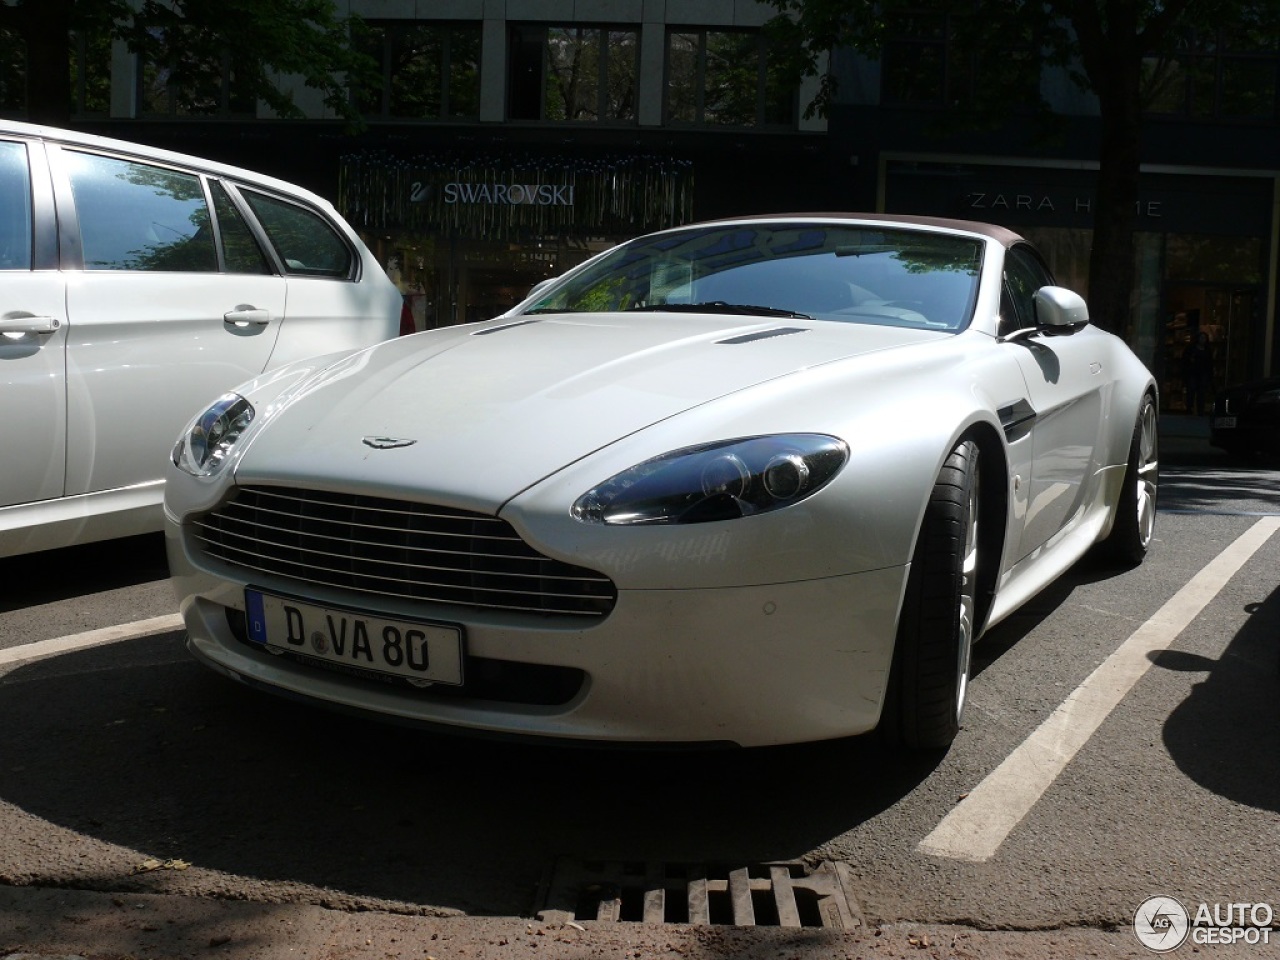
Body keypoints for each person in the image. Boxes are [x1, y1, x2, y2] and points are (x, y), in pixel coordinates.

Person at [1182, 332, 1214, 416]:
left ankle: (1200, 410)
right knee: (1191, 390)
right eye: (1201, 338)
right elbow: (1185, 359)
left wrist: (1210, 374)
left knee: (1201, 392)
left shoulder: (1207, 350)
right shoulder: (1191, 348)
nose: (1203, 340)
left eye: (1204, 338)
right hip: (1193, 372)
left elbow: (1210, 363)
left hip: (1203, 373)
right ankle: (1189, 408)